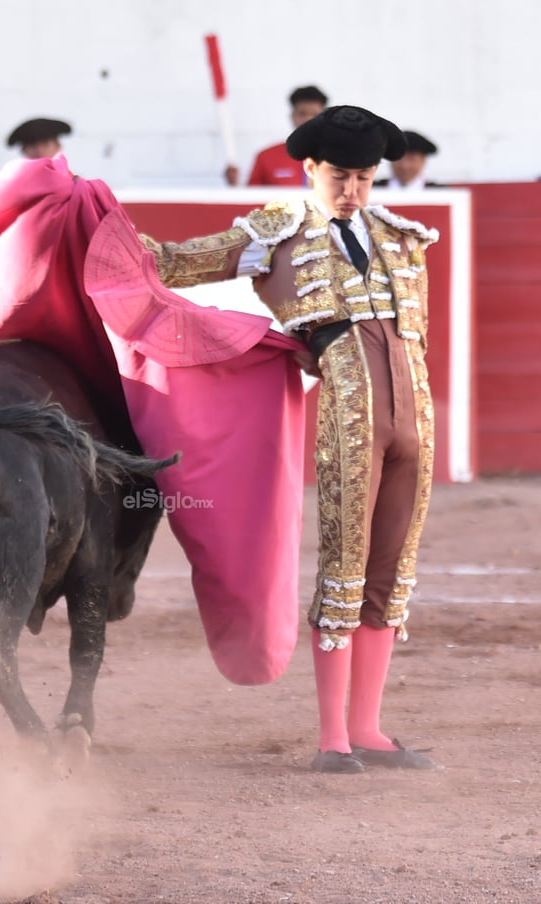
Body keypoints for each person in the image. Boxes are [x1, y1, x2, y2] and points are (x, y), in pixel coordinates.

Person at [141, 105, 441, 773]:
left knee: (391, 577)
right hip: (348, 424)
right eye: (341, 176)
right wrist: (99, 233)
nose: (353, 191)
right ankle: (333, 736)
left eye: (364, 177)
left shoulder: (400, 236)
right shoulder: (276, 234)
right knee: (344, 568)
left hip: (414, 426)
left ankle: (369, 728)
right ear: (310, 168)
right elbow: (171, 264)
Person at [225, 85, 328, 186]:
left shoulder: (341, 156)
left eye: (315, 114)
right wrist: (234, 186)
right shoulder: (266, 157)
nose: (308, 119)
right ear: (292, 116)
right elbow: (251, 199)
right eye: (302, 113)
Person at [374, 130, 439, 188]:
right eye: (398, 158)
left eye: (411, 159)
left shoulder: (441, 193)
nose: (404, 166)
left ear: (423, 160)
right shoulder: (371, 190)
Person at [6, 117, 72, 159]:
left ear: (57, 146)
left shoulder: (73, 180)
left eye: (45, 144)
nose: (39, 151)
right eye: (32, 146)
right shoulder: (15, 180)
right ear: (24, 150)